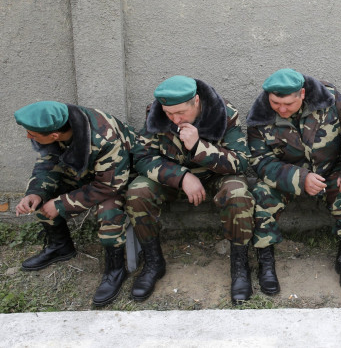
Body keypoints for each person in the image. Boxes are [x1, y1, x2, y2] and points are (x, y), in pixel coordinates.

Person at [126, 75, 255, 304]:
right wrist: (181, 176)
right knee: (138, 191)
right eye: (169, 113)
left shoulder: (222, 113)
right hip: (174, 181)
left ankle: (240, 266)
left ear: (196, 101)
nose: (175, 119)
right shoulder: (155, 115)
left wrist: (198, 147)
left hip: (215, 176)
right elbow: (142, 158)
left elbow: (241, 161)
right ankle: (154, 262)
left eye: (181, 113)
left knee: (237, 191)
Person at [246, 69, 341, 294]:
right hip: (286, 176)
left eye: (288, 104)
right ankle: (266, 263)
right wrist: (300, 179)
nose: (281, 110)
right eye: (275, 103)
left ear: (302, 94)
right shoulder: (259, 117)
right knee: (260, 198)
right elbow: (260, 161)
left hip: (330, 171)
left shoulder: (329, 98)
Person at [14, 100, 139, 307]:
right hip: (91, 175)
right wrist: (35, 192)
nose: (29, 137)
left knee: (108, 214)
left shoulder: (103, 137)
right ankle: (60, 247)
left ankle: (116, 270)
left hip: (121, 177)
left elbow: (109, 187)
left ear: (54, 135)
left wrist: (62, 204)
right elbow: (47, 161)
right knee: (42, 200)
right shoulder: (56, 122)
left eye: (32, 134)